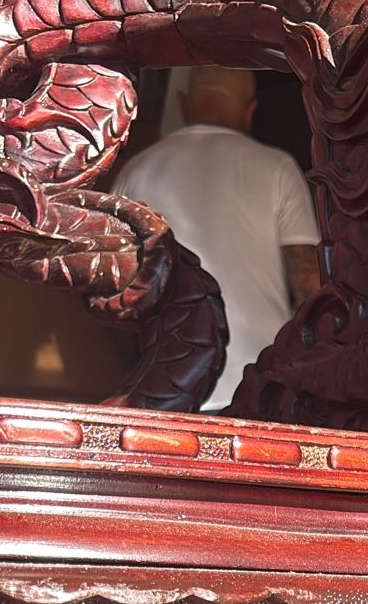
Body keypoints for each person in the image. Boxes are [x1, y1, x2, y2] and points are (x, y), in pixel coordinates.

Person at [112, 65, 320, 410]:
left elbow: (115, 293)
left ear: (182, 104)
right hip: (261, 381)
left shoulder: (136, 172)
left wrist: (135, 367)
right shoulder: (277, 168)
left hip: (167, 382)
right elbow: (309, 284)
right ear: (250, 110)